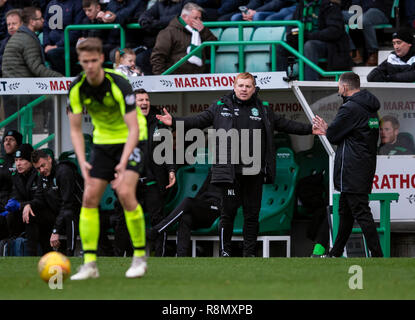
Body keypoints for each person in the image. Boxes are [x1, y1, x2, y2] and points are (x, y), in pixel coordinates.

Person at [156, 72, 325, 257]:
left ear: (254, 89)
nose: (244, 90)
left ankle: (249, 253)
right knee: (227, 214)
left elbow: (286, 124)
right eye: (240, 86)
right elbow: (198, 121)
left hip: (255, 171)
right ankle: (225, 251)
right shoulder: (220, 107)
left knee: (251, 215)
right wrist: (174, 122)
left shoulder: (264, 109)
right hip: (230, 172)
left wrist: (310, 129)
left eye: (248, 86)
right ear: (234, 86)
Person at [68, 37, 146, 280]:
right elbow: (75, 130)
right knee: (89, 196)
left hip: (132, 137)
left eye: (93, 60)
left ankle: (139, 257)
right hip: (103, 142)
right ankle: (90, 264)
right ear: (79, 62)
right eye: (84, 62)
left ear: (101, 59)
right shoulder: (76, 88)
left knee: (124, 192)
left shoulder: (119, 84)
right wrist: (82, 161)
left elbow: (133, 128)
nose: (89, 66)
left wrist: (122, 164)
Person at [314, 72, 384, 258]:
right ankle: (335, 253)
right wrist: (332, 130)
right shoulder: (370, 108)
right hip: (363, 165)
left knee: (361, 212)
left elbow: (334, 135)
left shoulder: (350, 108)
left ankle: (377, 255)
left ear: (344, 87)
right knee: (345, 212)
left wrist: (327, 129)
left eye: (339, 86)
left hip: (352, 168)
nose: (338, 89)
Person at [135, 88, 176, 256]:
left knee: (158, 219)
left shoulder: (158, 122)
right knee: (125, 219)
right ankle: (123, 255)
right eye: (140, 100)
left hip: (153, 181)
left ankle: (161, 255)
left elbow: (167, 150)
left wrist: (171, 170)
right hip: (132, 182)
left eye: (146, 99)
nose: (144, 102)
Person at [148, 169, 225, 256]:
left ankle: (157, 230)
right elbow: (202, 191)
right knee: (186, 217)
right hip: (204, 208)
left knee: (188, 201)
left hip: (216, 209)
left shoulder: (231, 172)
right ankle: (181, 256)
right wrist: (195, 205)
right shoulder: (213, 169)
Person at [277, 0, 352, 81]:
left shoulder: (330, 6)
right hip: (305, 40)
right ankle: (280, 82)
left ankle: (310, 83)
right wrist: (293, 35)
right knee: (280, 47)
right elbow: (292, 25)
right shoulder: (302, 5)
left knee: (310, 45)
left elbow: (334, 31)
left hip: (329, 45)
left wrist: (309, 36)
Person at [29, 150, 83, 256]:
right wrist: (28, 205)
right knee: (32, 213)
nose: (41, 170)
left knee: (68, 213)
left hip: (79, 211)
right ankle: (35, 254)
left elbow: (68, 203)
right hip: (58, 213)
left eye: (43, 165)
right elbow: (39, 198)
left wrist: (55, 230)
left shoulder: (64, 171)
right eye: (38, 168)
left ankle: (70, 253)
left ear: (49, 159)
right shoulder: (42, 176)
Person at [8, 144, 54, 255]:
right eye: (16, 160)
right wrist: (20, 205)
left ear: (30, 161)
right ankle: (11, 247)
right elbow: (15, 197)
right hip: (27, 210)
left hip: (46, 211)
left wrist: (23, 205)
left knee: (30, 215)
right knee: (8, 214)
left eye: (22, 159)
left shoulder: (39, 173)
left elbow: (41, 200)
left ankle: (30, 255)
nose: (18, 163)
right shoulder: (16, 176)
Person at [150, 2, 217, 75]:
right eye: (195, 18)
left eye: (200, 18)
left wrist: (204, 31)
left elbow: (213, 48)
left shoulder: (201, 32)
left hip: (197, 79)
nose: (199, 21)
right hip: (174, 79)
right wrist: (162, 79)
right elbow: (158, 57)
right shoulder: (168, 32)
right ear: (184, 16)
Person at [2, 6, 62, 77]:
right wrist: (59, 77)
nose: (43, 20)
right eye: (40, 18)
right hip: (23, 84)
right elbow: (36, 68)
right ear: (32, 22)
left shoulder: (20, 36)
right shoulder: (27, 39)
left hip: (14, 82)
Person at [137, 0, 189, 74]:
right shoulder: (160, 4)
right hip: (162, 44)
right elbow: (145, 15)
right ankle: (154, 83)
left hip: (180, 45)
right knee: (141, 59)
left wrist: (156, 23)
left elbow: (181, 17)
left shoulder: (187, 3)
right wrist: (144, 21)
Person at [342, 0, 392, 66]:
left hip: (378, 11)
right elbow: (355, 5)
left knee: (364, 19)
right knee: (337, 15)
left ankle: (373, 52)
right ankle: (352, 51)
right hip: (359, 13)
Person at [43, 0, 85, 75]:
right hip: (51, 45)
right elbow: (46, 28)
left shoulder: (77, 4)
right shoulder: (51, 4)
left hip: (71, 46)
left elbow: (75, 31)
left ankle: (67, 78)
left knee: (54, 54)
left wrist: (57, 45)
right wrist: (47, 44)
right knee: (36, 51)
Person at [0, 130, 22, 239]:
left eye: (11, 140)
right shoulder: (1, 161)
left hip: (13, 203)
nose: (7, 143)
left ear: (18, 144)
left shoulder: (21, 162)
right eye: (5, 140)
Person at [0, 9, 23, 76]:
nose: (11, 27)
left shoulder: (30, 40)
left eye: (14, 24)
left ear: (22, 24)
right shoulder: (4, 42)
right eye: (8, 24)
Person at [230, 0, 296, 21]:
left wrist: (256, 11)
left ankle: (258, 45)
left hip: (281, 9)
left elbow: (279, 2)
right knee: (235, 17)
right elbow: (256, 2)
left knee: (258, 16)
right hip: (262, 10)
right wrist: (247, 12)